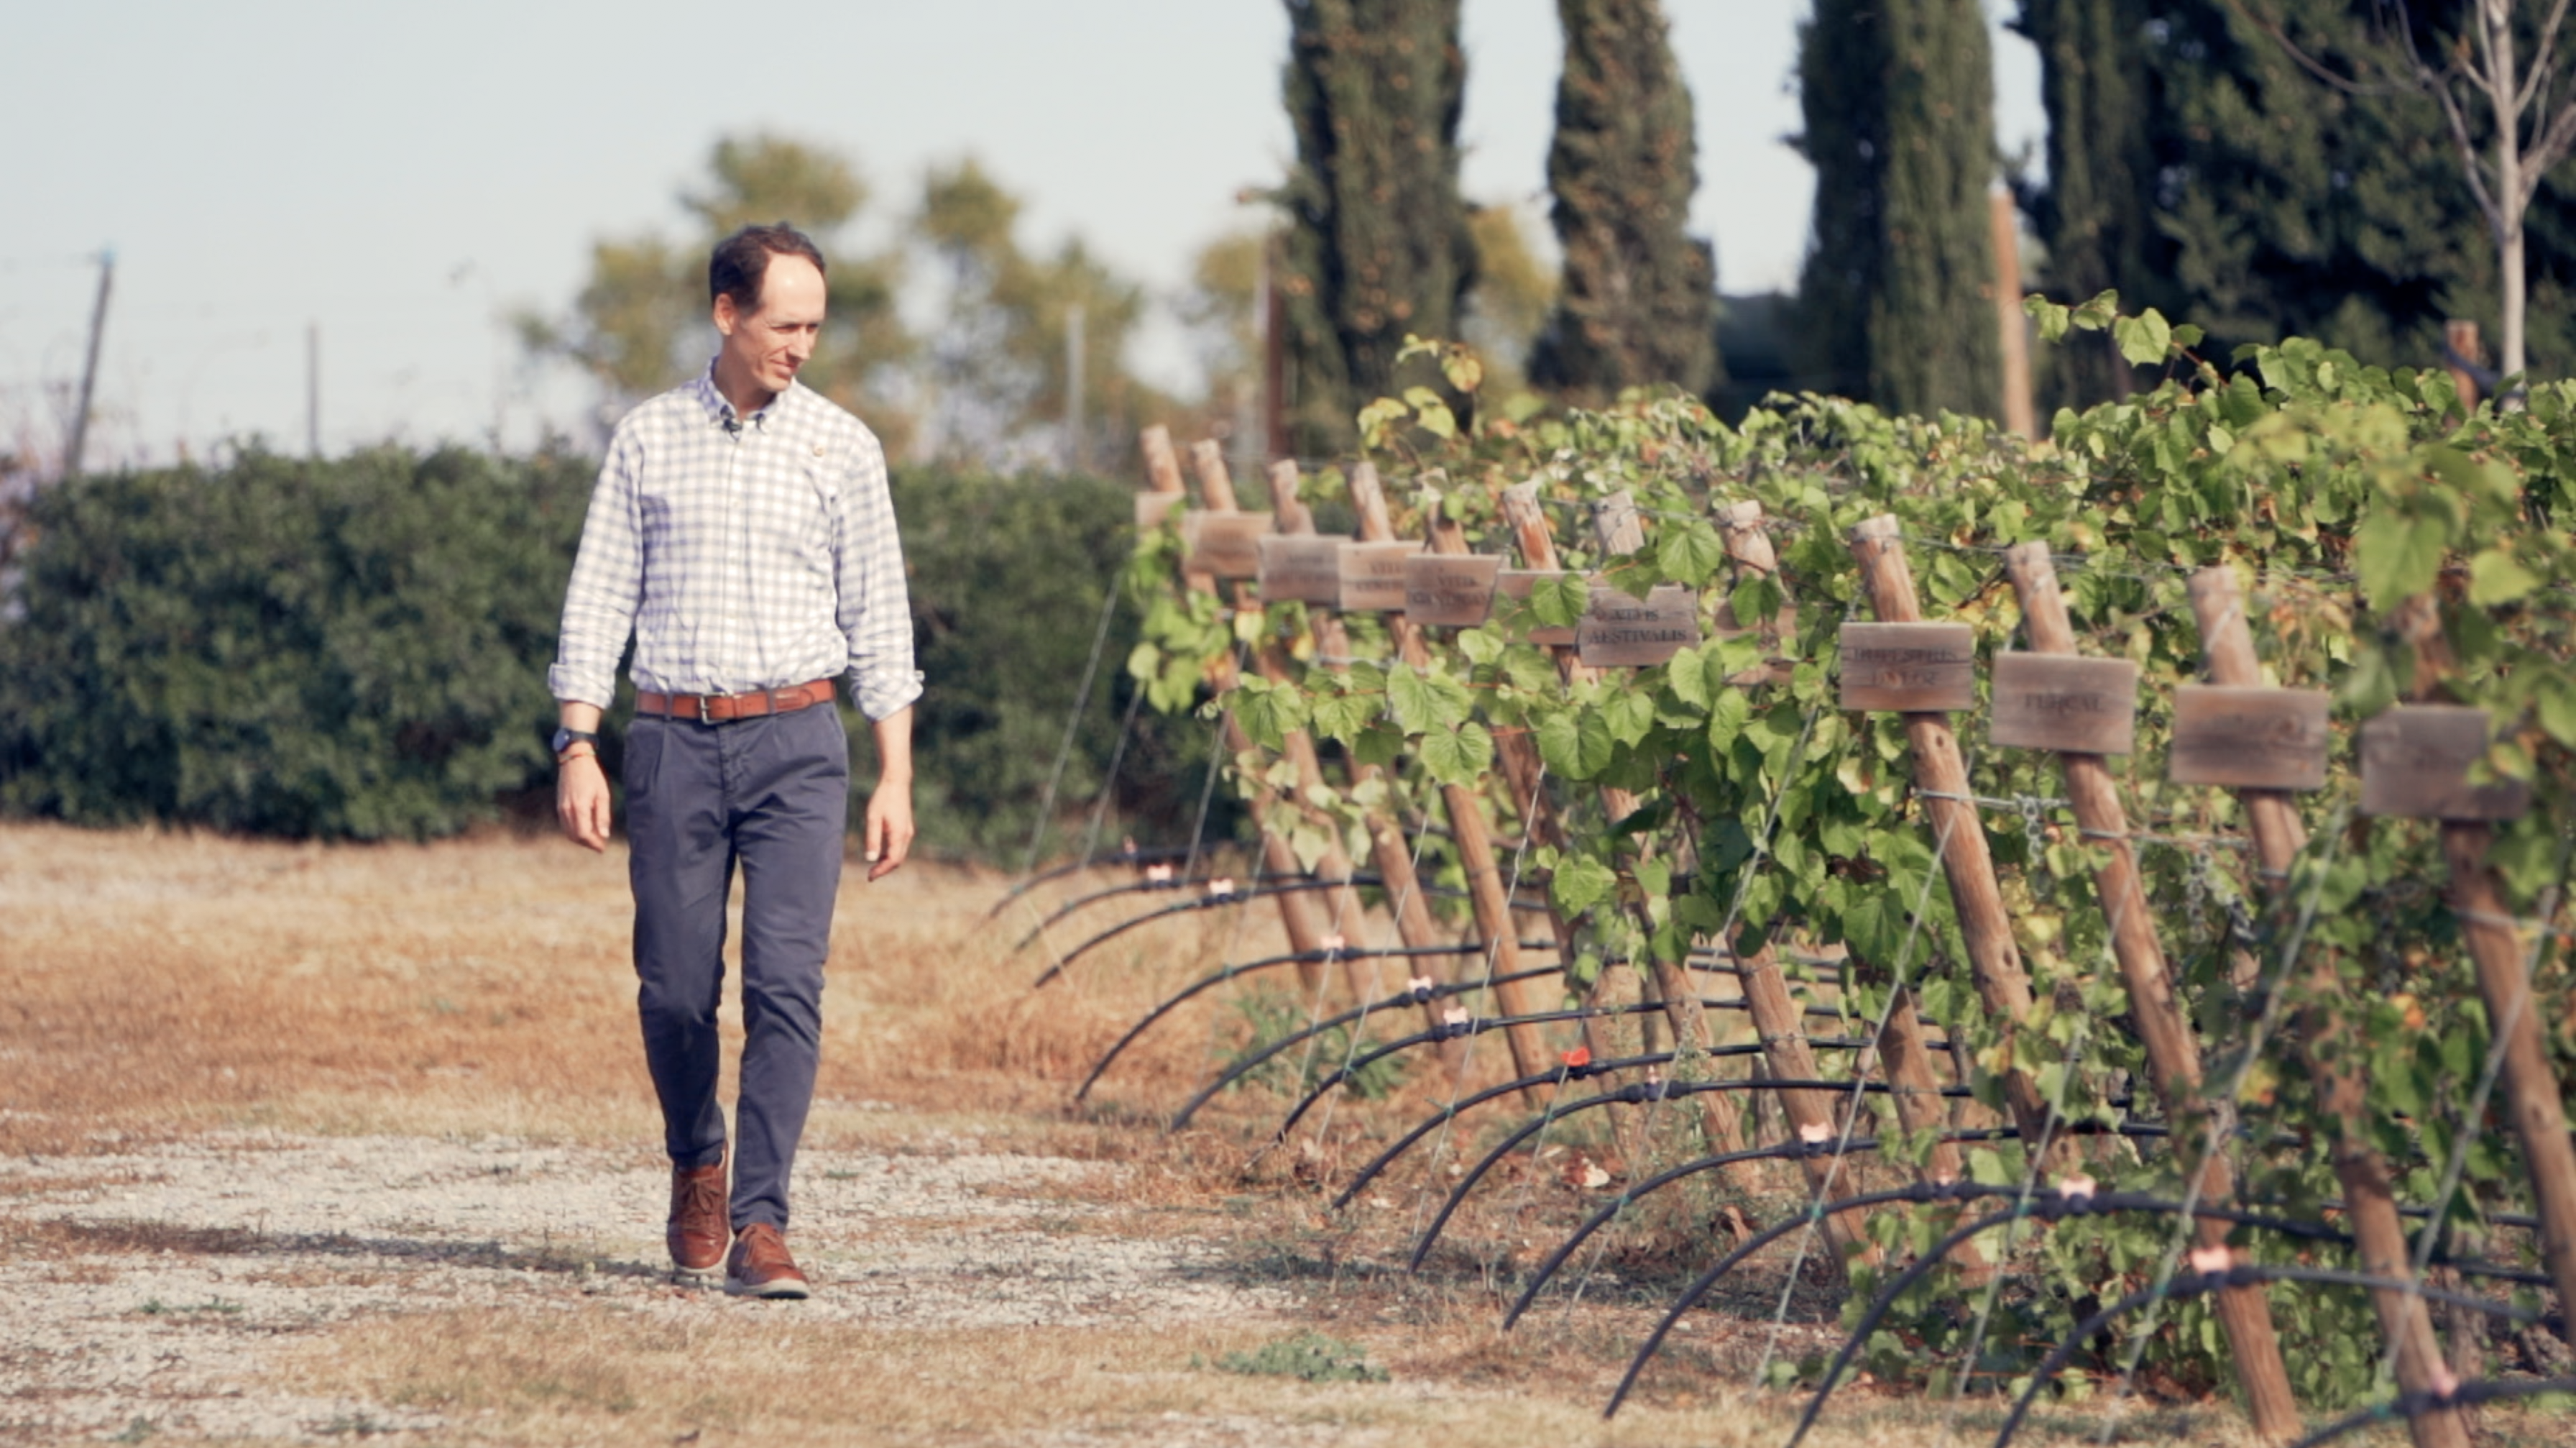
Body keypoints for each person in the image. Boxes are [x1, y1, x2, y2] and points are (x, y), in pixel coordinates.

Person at [548, 221, 919, 1301]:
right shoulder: (648, 440)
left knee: (788, 984)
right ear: (727, 312)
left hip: (800, 743)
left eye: (815, 325)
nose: (803, 344)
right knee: (672, 989)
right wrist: (580, 739)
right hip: (670, 738)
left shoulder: (842, 447)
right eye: (784, 323)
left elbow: (881, 621)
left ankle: (762, 1220)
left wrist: (893, 773)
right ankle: (696, 1156)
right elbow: (598, 598)